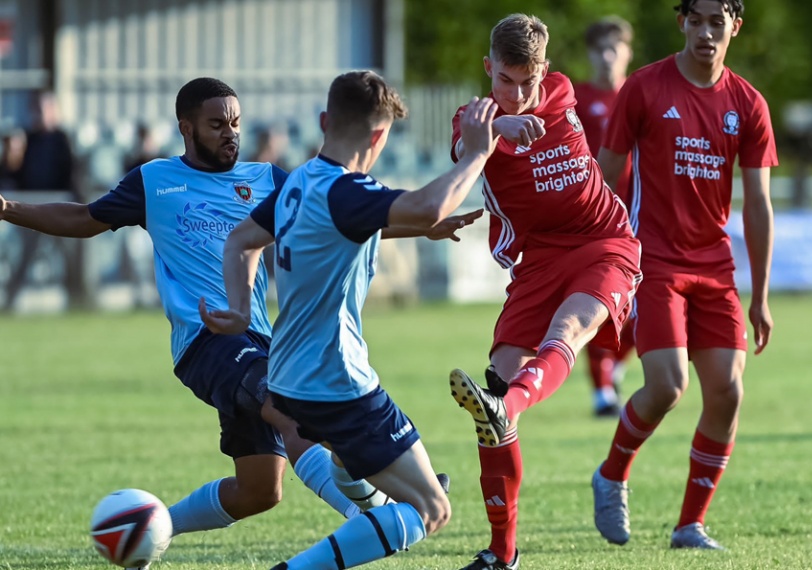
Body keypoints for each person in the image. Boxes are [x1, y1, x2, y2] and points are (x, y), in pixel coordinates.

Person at [0, 77, 389, 569]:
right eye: (216, 124)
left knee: (259, 491)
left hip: (259, 338)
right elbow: (83, 218)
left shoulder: (268, 179)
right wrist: (8, 208)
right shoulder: (155, 181)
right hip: (205, 341)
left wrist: (424, 220)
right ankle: (371, 513)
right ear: (186, 127)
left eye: (236, 123)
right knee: (290, 409)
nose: (230, 133)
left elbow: (338, 211)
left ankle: (155, 524)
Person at [200, 70, 495, 570]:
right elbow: (424, 205)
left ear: (323, 120)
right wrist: (476, 153)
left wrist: (241, 310)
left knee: (348, 465)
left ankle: (371, 505)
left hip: (288, 376)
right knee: (430, 509)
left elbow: (241, 241)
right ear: (380, 136)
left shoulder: (301, 181)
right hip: (337, 381)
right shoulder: (345, 191)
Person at [447, 13, 642, 570]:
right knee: (499, 393)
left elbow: (558, 94)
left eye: (527, 82)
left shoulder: (562, 92)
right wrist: (494, 132)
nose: (517, 93)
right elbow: (465, 139)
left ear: (546, 73)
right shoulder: (474, 119)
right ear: (489, 71)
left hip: (606, 242)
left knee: (569, 332)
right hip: (536, 263)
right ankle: (501, 552)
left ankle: (507, 405)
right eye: (504, 81)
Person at [590, 0, 776, 550]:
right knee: (669, 386)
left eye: (717, 22)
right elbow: (603, 177)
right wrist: (596, 254)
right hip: (656, 263)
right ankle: (612, 474)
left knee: (728, 393)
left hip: (715, 268)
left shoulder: (748, 103)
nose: (706, 32)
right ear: (683, 24)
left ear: (734, 28)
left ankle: (690, 525)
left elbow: (758, 205)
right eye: (696, 20)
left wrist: (760, 295)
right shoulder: (644, 89)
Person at [572, 15, 636, 417]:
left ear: (629, 52)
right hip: (593, 221)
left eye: (616, 47)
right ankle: (601, 392)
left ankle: (615, 364)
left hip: (641, 217)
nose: (608, 56)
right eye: (600, 49)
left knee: (643, 309)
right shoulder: (577, 98)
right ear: (590, 54)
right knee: (596, 303)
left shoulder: (642, 94)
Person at [3, 90, 81, 310]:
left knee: (67, 256)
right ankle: (10, 301)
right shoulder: (27, 139)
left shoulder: (61, 139)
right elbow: (15, 173)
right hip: (33, 206)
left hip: (58, 205)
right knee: (25, 255)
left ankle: (76, 299)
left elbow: (71, 173)